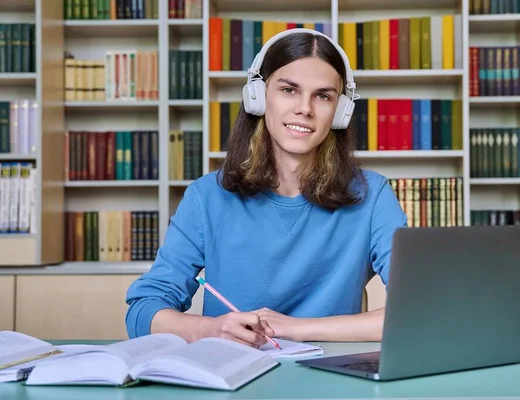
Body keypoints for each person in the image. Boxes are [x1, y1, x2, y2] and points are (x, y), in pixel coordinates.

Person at [125, 28, 408, 349]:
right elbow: (143, 312)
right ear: (258, 97)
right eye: (289, 90)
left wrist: (294, 328)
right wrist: (210, 329)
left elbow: (418, 308)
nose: (305, 108)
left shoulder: (371, 195)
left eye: (323, 96)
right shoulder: (206, 197)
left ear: (341, 112)